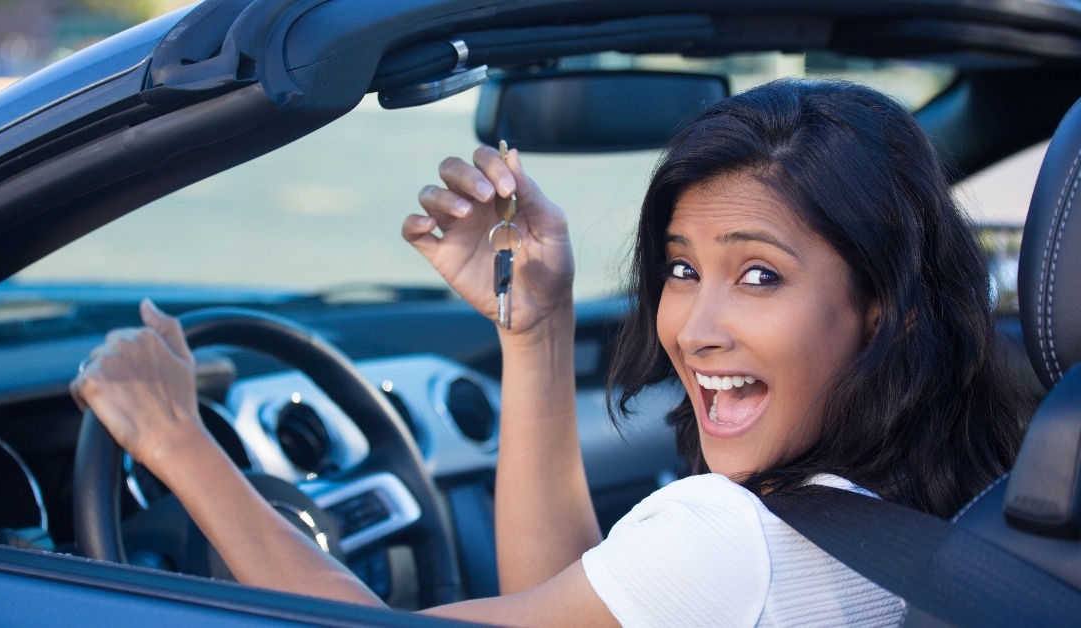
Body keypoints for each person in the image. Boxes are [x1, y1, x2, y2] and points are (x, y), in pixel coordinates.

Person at [70, 80, 1033, 627]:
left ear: (885, 313)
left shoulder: (733, 539)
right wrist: (534, 328)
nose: (693, 328)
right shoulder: (963, 502)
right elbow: (568, 605)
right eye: (681, 269)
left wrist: (178, 443)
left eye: (760, 277)